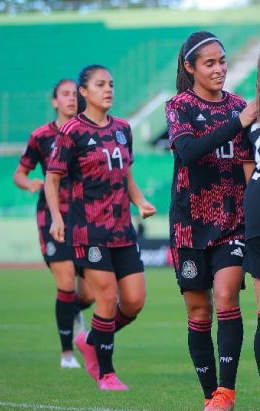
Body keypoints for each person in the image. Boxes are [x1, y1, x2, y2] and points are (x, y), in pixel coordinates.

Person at [46, 65, 156, 391]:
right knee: (106, 297)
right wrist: (56, 217)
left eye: (111, 84)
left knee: (134, 302)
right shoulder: (72, 132)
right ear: (84, 92)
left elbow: (127, 176)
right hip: (89, 230)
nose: (108, 89)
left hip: (122, 229)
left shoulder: (123, 128)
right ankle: (106, 373)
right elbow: (52, 180)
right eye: (100, 84)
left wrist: (140, 201)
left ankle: (91, 339)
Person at [165, 31, 257, 411]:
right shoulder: (179, 107)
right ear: (190, 68)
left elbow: (252, 164)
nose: (219, 69)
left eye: (222, 61)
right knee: (199, 312)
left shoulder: (241, 106)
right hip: (188, 226)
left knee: (225, 297)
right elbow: (187, 151)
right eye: (210, 63)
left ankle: (226, 391)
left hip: (233, 222)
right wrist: (238, 122)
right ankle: (209, 394)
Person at [13, 79, 94, 369]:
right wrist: (30, 183)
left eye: (75, 94)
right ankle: (67, 354)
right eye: (65, 94)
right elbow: (19, 173)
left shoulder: (88, 131)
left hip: (84, 216)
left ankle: (73, 311)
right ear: (54, 101)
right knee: (66, 283)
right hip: (52, 216)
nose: (71, 99)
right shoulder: (41, 136)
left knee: (90, 292)